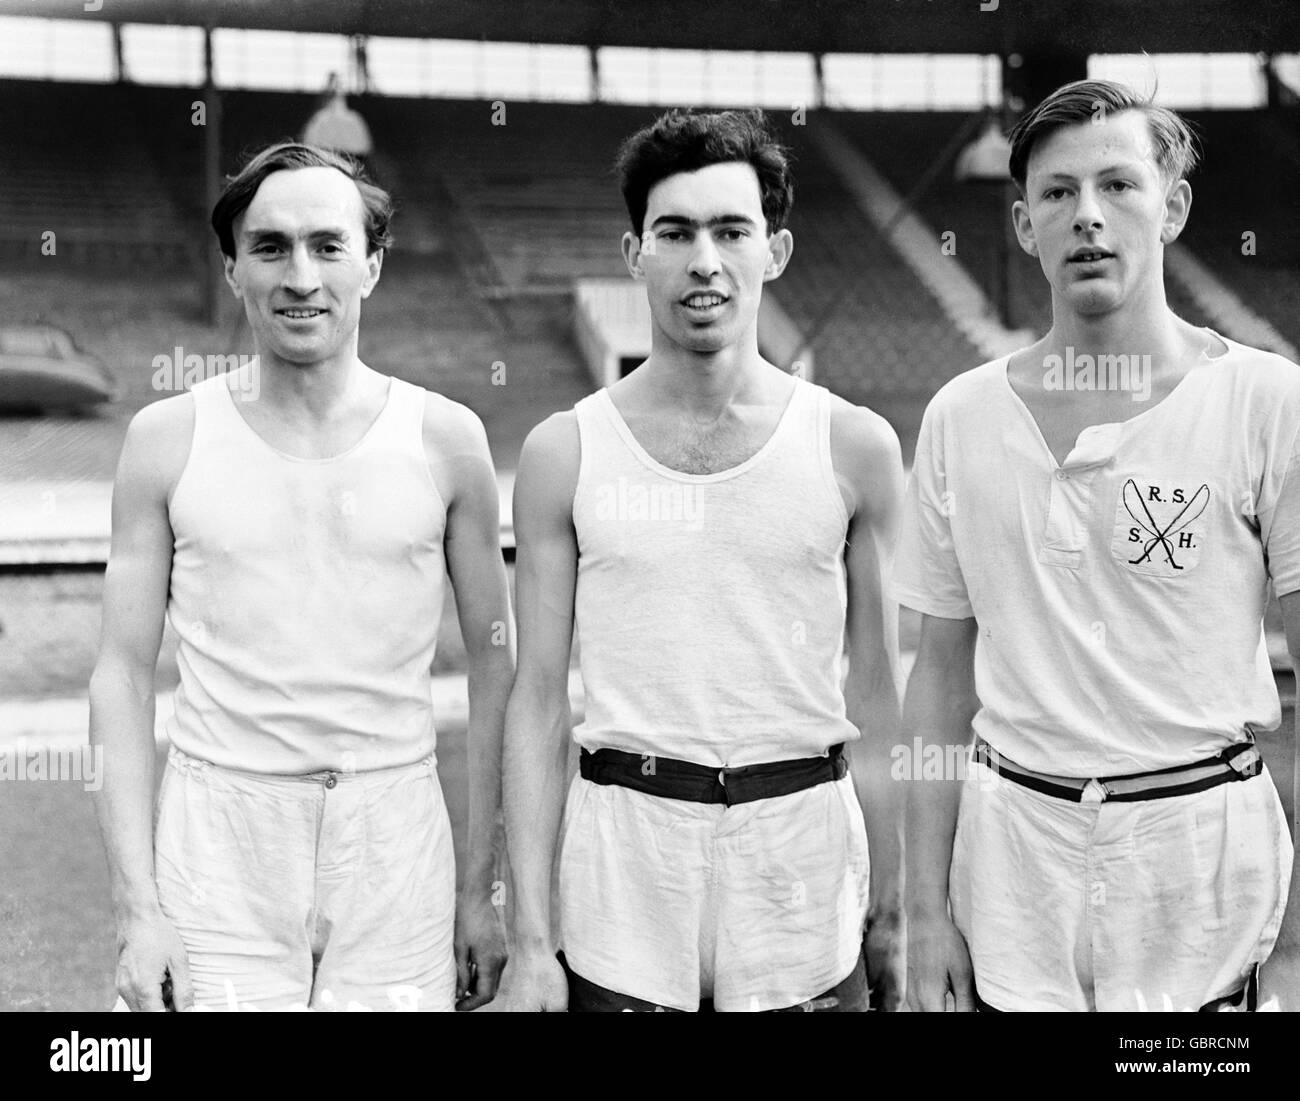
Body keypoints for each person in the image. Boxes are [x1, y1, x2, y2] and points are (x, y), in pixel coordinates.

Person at [897, 79, 1300, 1012]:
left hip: (1201, 863)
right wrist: (922, 913)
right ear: (1024, 224)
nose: (1088, 214)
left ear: (1173, 208)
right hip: (1011, 867)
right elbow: (939, 681)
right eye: (1058, 192)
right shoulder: (960, 416)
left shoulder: (1267, 402)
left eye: (1118, 185)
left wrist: (1295, 948)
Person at [89, 142, 511, 1012]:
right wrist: (138, 907)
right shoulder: (165, 440)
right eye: (271, 247)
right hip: (217, 841)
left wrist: (482, 888)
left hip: (395, 841)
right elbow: (121, 674)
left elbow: (497, 665)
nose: (301, 276)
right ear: (232, 268)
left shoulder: (448, 441)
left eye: (328, 245)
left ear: (372, 265)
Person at [502, 109, 906, 1012]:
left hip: (801, 859)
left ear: (776, 250)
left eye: (731, 231)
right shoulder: (565, 451)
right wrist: (530, 936)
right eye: (676, 233)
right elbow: (538, 698)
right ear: (635, 253)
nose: (705, 261)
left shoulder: (855, 446)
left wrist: (897, 908)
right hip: (625, 864)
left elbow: (880, 694)